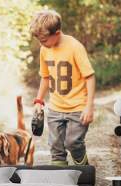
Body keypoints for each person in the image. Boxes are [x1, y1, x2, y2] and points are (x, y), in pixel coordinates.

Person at [30, 10, 96, 166]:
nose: (42, 44)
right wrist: (39, 100)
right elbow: (45, 77)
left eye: (44, 40)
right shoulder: (44, 50)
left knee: (73, 143)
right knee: (55, 147)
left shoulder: (74, 47)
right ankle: (62, 184)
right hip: (55, 108)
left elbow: (90, 77)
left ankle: (83, 174)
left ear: (57, 33)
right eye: (39, 40)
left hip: (78, 107)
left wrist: (89, 107)